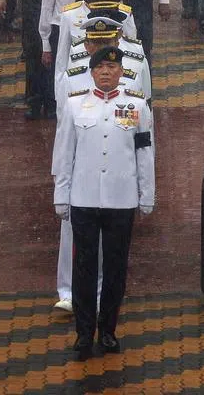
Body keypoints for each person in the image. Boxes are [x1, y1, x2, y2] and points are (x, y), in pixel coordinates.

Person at [52, 45, 153, 361]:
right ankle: (84, 333)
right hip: (83, 199)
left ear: (121, 72)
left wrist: (146, 196)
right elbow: (64, 154)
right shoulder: (74, 106)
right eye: (100, 68)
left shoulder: (136, 107)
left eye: (112, 68)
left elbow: (145, 154)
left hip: (120, 200)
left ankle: (108, 330)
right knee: (83, 267)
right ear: (92, 72)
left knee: (115, 268)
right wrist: (61, 195)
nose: (106, 72)